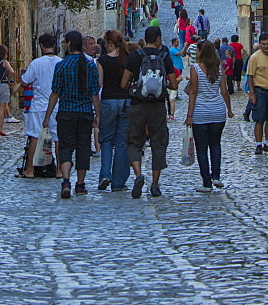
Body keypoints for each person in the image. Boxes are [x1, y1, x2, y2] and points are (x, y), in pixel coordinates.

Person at [121, 25, 177, 198]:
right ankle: (154, 184)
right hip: (158, 107)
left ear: (145, 39)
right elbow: (174, 85)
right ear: (158, 39)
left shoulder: (134, 56)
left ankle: (138, 175)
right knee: (158, 143)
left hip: (138, 105)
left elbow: (123, 84)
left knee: (134, 141)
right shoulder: (165, 57)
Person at [43, 30, 101, 198]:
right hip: (84, 114)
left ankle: (66, 181)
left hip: (66, 113)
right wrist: (98, 115)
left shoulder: (61, 66)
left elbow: (55, 93)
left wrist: (47, 116)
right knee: (83, 148)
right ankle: (80, 184)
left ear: (68, 44)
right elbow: (94, 94)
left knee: (66, 147)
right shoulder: (90, 66)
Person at [186, 40, 234, 192]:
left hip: (201, 113)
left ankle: (206, 182)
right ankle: (216, 176)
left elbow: (193, 92)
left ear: (201, 52)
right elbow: (224, 91)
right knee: (215, 144)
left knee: (202, 149)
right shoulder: (219, 68)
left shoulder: (195, 68)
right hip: (218, 112)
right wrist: (229, 109)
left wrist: (189, 115)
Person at [21, 33, 62, 178]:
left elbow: (25, 81)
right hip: (57, 106)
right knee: (58, 138)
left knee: (34, 136)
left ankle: (30, 170)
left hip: (39, 105)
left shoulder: (36, 63)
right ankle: (59, 170)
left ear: (41, 46)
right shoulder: (60, 62)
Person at [96, 30, 131, 192]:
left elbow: (99, 84)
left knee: (106, 140)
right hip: (125, 101)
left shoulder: (102, 61)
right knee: (122, 142)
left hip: (108, 101)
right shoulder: (127, 59)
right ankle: (118, 182)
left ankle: (105, 175)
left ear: (109, 43)